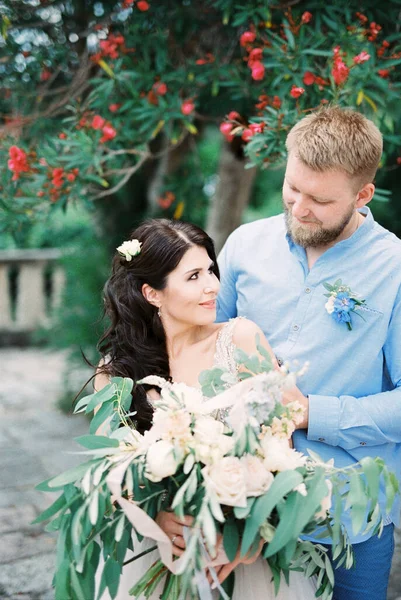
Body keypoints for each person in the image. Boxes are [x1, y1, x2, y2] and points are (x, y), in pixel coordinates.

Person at [216, 106, 401, 600]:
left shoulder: (396, 267)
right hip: (242, 503)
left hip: (350, 517)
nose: (299, 208)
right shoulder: (243, 246)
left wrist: (310, 413)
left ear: (363, 195)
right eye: (292, 188)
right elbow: (204, 348)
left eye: (319, 200)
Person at [94, 218, 316, 599]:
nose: (213, 286)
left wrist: (254, 535)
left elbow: (283, 446)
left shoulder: (242, 338)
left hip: (243, 552)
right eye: (193, 276)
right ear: (153, 293)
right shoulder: (115, 374)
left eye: (211, 270)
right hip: (159, 549)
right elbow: (111, 472)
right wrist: (156, 520)